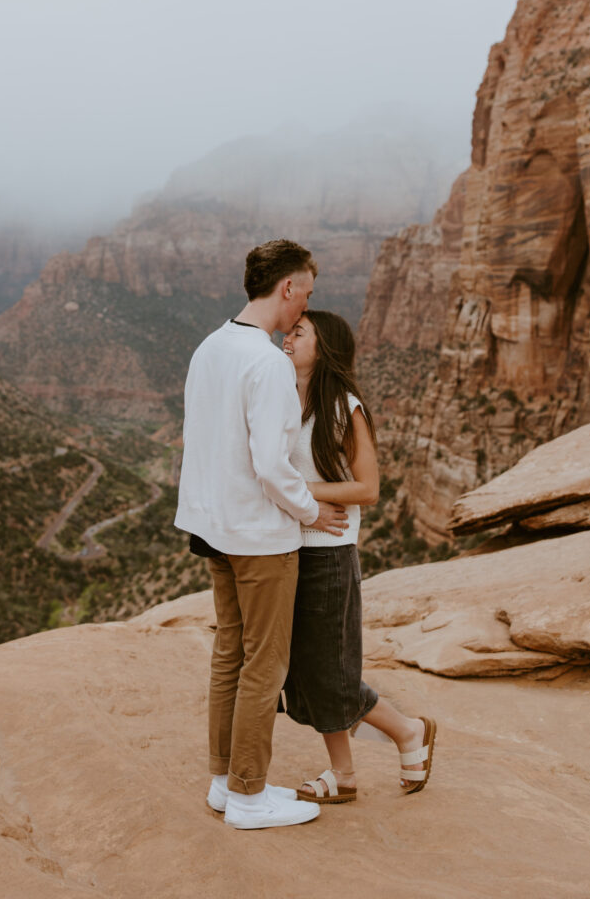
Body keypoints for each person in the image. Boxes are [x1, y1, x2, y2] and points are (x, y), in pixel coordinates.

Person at [175, 240, 349, 830]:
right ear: (287, 289)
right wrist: (309, 512)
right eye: (307, 292)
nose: (305, 306)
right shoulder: (268, 361)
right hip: (258, 538)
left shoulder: (209, 347)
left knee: (229, 654)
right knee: (264, 665)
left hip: (213, 528)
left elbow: (200, 439)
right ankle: (250, 797)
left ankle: (225, 782)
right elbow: (273, 466)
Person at [281, 310, 437, 803]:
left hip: (328, 556)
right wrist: (303, 505)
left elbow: (368, 487)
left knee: (331, 673)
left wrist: (303, 491)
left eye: (299, 332)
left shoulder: (345, 407)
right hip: (287, 552)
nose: (287, 336)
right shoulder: (286, 400)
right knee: (303, 674)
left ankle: (409, 731)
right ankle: (343, 775)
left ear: (323, 347)